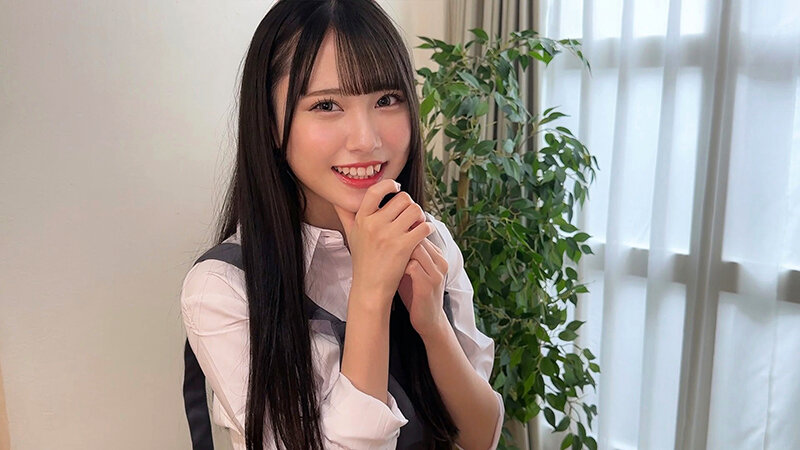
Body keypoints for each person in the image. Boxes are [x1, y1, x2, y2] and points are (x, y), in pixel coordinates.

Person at [180, 0, 504, 448]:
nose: (366, 140)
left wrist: (431, 324)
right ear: (271, 123)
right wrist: (371, 294)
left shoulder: (430, 240)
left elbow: (481, 436)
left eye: (386, 100)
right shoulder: (224, 289)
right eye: (327, 105)